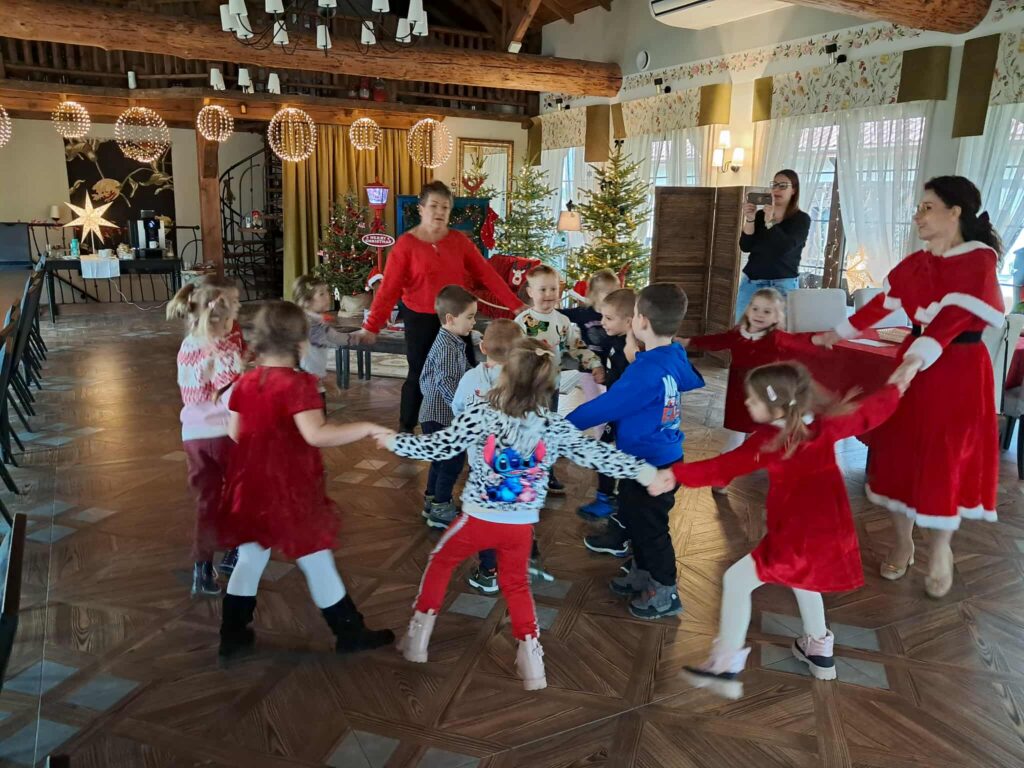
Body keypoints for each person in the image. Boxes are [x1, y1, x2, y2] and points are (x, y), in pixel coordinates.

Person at [379, 337, 660, 691]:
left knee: (440, 563)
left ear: (504, 376)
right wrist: (646, 472)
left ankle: (418, 639)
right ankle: (532, 660)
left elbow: (438, 446)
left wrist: (393, 440)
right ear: (546, 386)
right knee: (516, 585)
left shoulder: (481, 415)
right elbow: (596, 454)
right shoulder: (552, 425)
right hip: (520, 527)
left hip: (477, 520)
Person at [649, 363, 902, 700]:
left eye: (753, 400)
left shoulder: (769, 441)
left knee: (736, 581)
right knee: (803, 579)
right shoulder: (824, 425)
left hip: (795, 536)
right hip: (830, 531)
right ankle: (819, 650)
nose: (747, 403)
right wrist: (899, 383)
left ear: (776, 405)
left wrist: (674, 475)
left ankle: (725, 664)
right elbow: (870, 412)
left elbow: (723, 466)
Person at [812, 175, 1005, 599]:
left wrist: (917, 358)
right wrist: (838, 332)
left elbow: (952, 320)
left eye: (927, 207)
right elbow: (884, 304)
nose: (918, 215)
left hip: (958, 370)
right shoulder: (918, 263)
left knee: (943, 457)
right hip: (913, 363)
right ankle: (903, 543)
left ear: (955, 212)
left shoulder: (978, 261)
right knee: (900, 451)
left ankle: (940, 548)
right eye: (919, 207)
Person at [217, 301, 395, 659]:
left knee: (250, 557)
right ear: (301, 344)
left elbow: (235, 433)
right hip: (289, 489)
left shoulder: (245, 381)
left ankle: (232, 635)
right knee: (316, 558)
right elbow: (317, 435)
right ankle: (350, 633)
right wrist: (366, 427)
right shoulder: (298, 384)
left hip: (250, 486)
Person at [568, 283, 705, 620]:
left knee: (651, 530)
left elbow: (607, 406)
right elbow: (691, 378)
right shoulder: (671, 355)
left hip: (652, 465)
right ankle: (643, 573)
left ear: (640, 321)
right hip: (654, 458)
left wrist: (561, 426)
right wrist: (640, 356)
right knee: (633, 517)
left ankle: (665, 590)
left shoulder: (645, 372)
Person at [350, 181, 524, 433]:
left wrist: (515, 305)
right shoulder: (406, 245)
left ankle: (466, 424)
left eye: (445, 207)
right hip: (419, 318)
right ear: (421, 209)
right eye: (434, 206)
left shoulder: (459, 241)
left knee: (464, 371)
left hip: (456, 320)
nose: (440, 211)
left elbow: (487, 274)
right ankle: (406, 429)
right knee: (419, 373)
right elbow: (388, 290)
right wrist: (371, 326)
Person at [683, 287, 822, 492]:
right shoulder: (737, 334)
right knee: (737, 437)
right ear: (748, 309)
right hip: (741, 398)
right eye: (755, 308)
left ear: (776, 317)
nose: (759, 314)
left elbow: (801, 342)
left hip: (769, 397)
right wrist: (690, 342)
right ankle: (722, 475)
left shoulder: (777, 338)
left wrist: (822, 339)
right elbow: (716, 341)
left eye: (767, 311)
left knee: (774, 435)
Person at [167, 279, 244, 598]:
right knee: (240, 493)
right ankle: (235, 551)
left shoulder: (188, 345)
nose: (239, 309)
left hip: (193, 435)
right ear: (221, 317)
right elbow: (234, 398)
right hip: (224, 434)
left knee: (206, 501)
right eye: (234, 305)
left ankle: (202, 569)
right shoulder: (224, 350)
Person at [449, 319, 525, 595]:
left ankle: (488, 572)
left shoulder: (471, 378)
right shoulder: (524, 383)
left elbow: (457, 407)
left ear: (482, 347)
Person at [515, 264, 606, 494]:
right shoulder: (522, 321)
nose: (549, 294)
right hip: (527, 387)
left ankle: (545, 471)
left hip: (551, 387)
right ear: (530, 292)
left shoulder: (563, 322)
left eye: (553, 289)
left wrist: (594, 363)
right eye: (543, 289)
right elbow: (512, 353)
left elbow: (577, 347)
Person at [579, 288, 638, 557]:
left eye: (609, 318)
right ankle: (607, 497)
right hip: (615, 411)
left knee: (608, 453)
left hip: (623, 415)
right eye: (603, 316)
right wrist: (603, 372)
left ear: (629, 321)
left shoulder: (632, 351)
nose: (602, 322)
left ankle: (611, 502)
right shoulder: (614, 341)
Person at [418, 285, 478, 530]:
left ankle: (432, 500)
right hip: (442, 417)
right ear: (451, 319)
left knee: (439, 460)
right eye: (470, 317)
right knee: (452, 461)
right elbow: (446, 382)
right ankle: (441, 508)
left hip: (434, 414)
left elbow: (459, 373)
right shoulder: (446, 347)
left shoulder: (451, 341)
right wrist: (462, 409)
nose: (474, 322)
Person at [736, 170, 811, 322]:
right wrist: (750, 219)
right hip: (752, 283)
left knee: (777, 333)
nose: (777, 189)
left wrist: (770, 222)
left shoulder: (801, 219)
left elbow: (784, 248)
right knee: (743, 330)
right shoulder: (760, 215)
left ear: (794, 190)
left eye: (783, 186)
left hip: (782, 284)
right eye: (774, 185)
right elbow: (745, 246)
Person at [292, 275, 350, 413]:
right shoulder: (308, 322)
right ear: (306, 300)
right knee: (314, 419)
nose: (327, 296)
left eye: (327, 292)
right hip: (307, 382)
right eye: (321, 294)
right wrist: (322, 378)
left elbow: (334, 336)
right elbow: (305, 357)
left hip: (313, 380)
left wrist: (355, 338)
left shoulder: (315, 319)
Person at [562, 268, 621, 404]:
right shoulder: (583, 313)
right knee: (593, 399)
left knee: (609, 398)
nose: (613, 297)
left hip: (609, 365)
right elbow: (561, 314)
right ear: (594, 294)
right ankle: (597, 417)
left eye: (615, 293)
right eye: (608, 293)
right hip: (587, 366)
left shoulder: (616, 315)